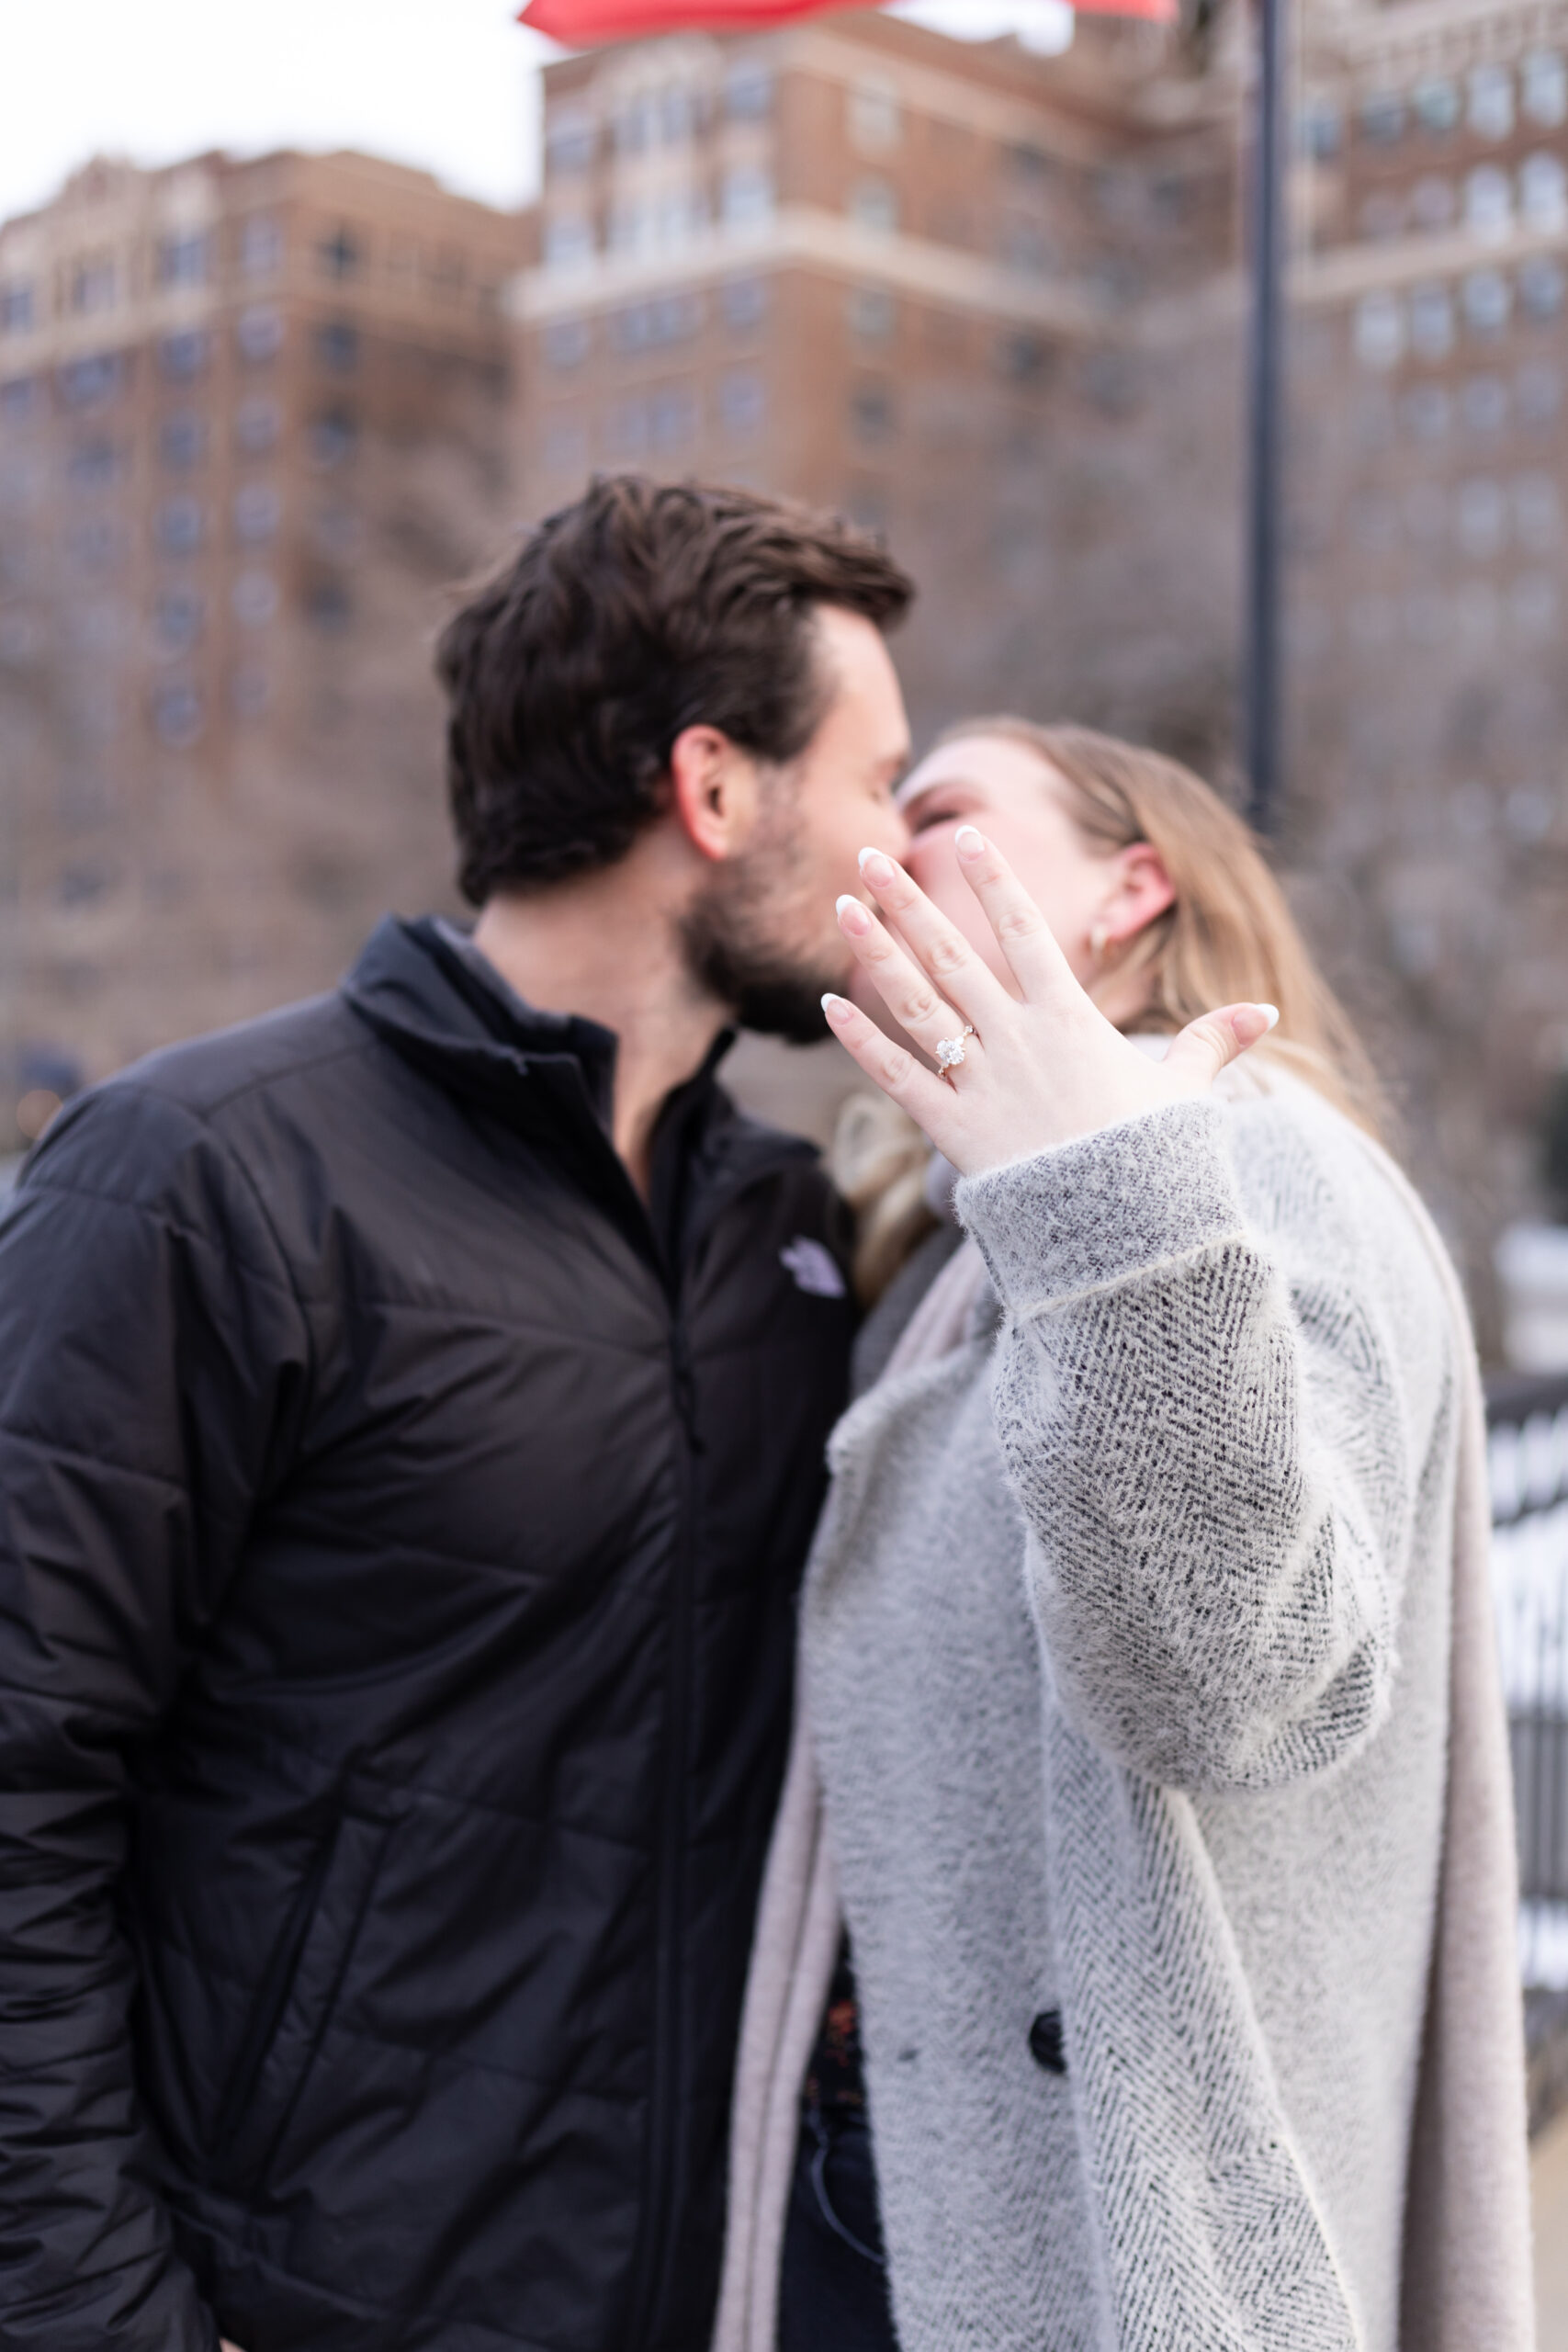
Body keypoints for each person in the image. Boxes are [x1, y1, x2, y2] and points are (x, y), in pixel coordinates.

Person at [0, 477, 916, 2352]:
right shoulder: (205, 1175)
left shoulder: (783, 1235)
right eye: (879, 781)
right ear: (713, 787)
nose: (897, 851)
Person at [716, 723, 1533, 2352]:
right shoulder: (960, 1244)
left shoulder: (1251, 1162)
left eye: (937, 810)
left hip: (1099, 2244)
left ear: (1129, 889)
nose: (886, 845)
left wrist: (1109, 1198)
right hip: (922, 2196)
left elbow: (1239, 1679)